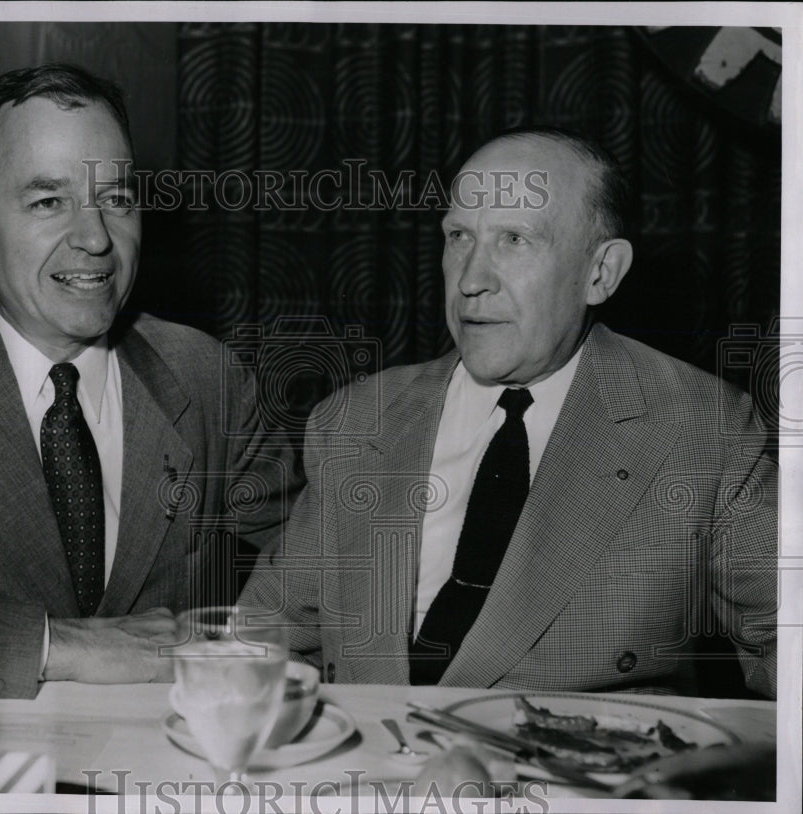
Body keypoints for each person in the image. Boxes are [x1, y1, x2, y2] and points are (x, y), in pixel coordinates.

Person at [240, 128, 777, 698]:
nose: (471, 280)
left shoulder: (701, 429)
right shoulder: (356, 420)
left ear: (601, 273)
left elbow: (786, 643)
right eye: (458, 237)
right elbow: (266, 636)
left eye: (514, 240)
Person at [0, 64, 301, 698]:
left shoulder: (206, 376)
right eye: (48, 201)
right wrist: (57, 645)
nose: (96, 238)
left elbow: (320, 572)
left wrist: (231, 651)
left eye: (118, 199)